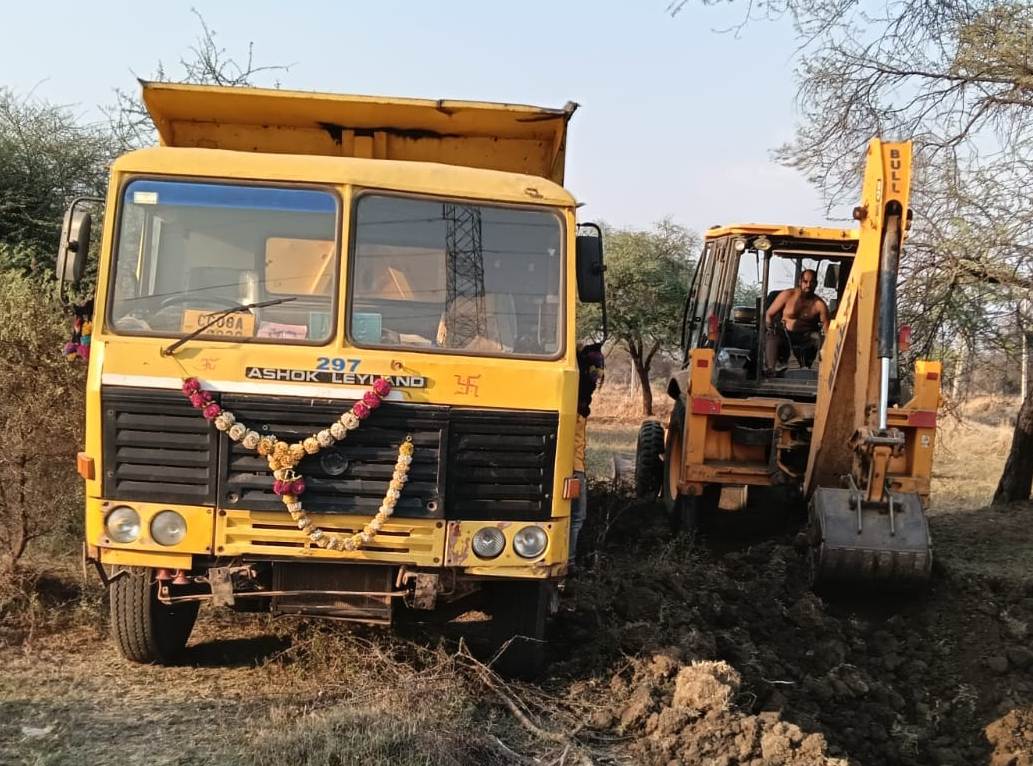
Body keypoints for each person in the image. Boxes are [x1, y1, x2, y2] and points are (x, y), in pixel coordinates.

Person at [570, 342, 604, 567]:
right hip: (574, 468)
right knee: (577, 517)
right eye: (595, 372)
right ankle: (569, 561)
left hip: (573, 465)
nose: (597, 379)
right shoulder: (576, 410)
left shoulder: (572, 403)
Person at [764, 269, 830, 372]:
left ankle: (821, 371)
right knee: (772, 336)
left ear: (816, 284)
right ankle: (771, 370)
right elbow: (769, 314)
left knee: (821, 340)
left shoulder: (820, 305)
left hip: (806, 337)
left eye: (812, 282)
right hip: (784, 334)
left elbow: (827, 331)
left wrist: (825, 341)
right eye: (805, 281)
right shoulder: (787, 295)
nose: (808, 285)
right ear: (800, 282)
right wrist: (770, 328)